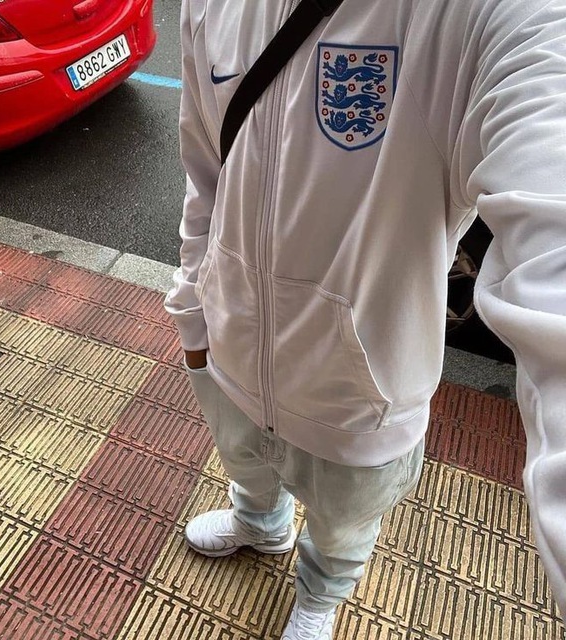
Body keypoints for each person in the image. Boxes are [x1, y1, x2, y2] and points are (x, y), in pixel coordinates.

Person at [165, 0, 566, 637]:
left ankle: (319, 598)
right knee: (244, 461)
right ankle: (259, 523)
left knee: (343, 524)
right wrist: (192, 306)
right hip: (230, 341)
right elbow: (205, 170)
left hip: (359, 390)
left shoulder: (490, 17)